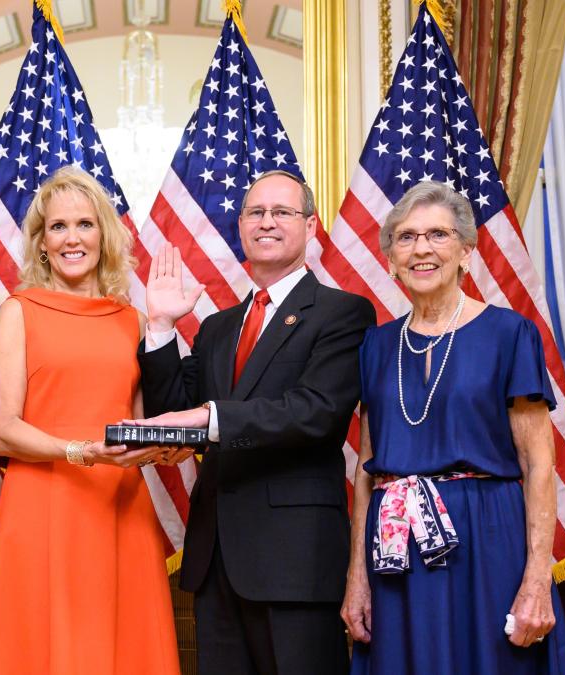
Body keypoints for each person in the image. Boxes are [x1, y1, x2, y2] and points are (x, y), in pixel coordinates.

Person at [135, 170, 375, 675]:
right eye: (255, 213)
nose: (267, 222)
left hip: (295, 561)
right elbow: (173, 413)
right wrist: (159, 327)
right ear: (241, 226)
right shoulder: (219, 328)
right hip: (216, 558)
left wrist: (211, 417)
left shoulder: (343, 313)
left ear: (310, 227)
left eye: (282, 212)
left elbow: (316, 412)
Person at [340, 181, 565, 673]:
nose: (421, 248)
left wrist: (536, 578)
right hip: (396, 549)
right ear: (389, 259)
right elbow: (366, 467)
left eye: (438, 235)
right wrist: (356, 577)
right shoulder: (375, 346)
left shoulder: (510, 334)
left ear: (466, 251)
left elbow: (538, 463)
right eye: (405, 238)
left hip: (487, 541)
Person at [0, 167, 180, 675]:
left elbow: (133, 421)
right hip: (43, 506)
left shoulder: (131, 318)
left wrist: (165, 444)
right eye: (57, 227)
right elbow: (2, 428)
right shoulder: (19, 311)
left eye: (84, 224)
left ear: (103, 236)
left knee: (122, 649)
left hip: (119, 505)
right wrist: (80, 451)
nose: (71, 238)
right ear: (41, 242)